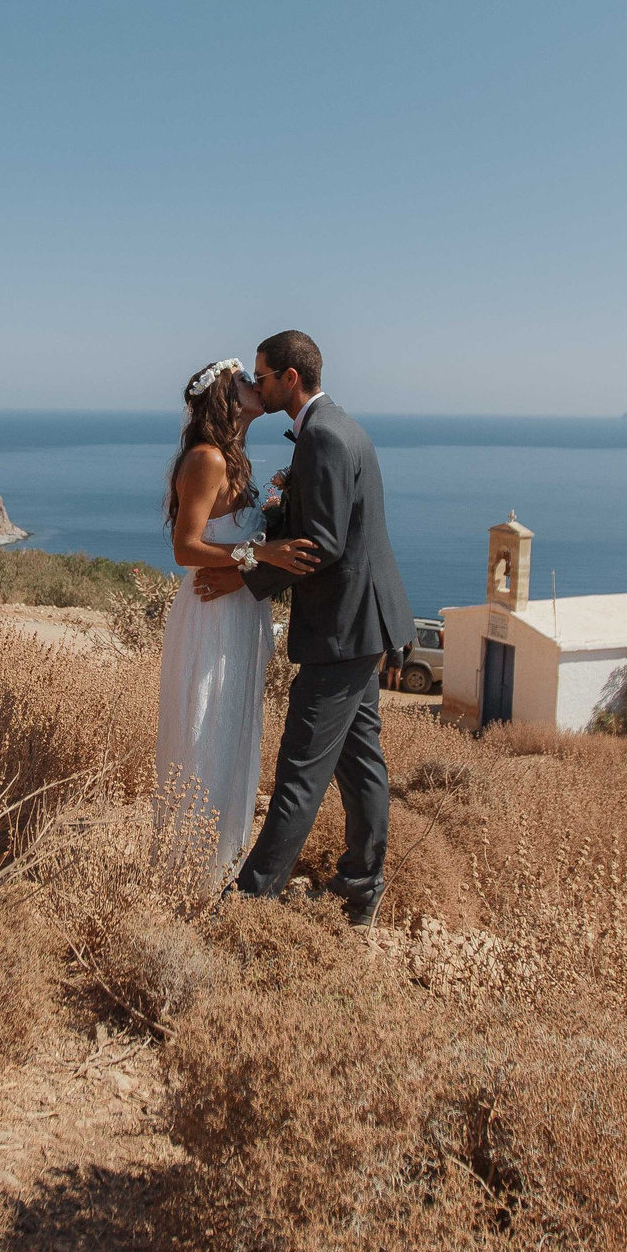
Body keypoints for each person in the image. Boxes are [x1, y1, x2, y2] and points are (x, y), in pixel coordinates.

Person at [193, 330, 412, 926]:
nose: (257, 386)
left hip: (342, 631)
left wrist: (244, 575)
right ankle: (362, 887)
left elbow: (323, 545)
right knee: (361, 760)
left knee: (298, 775)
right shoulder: (337, 425)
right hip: (361, 624)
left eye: (262, 377)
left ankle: (243, 907)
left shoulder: (321, 436)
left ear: (291, 378)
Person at [151, 357, 321, 884]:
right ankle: (187, 871)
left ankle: (219, 863)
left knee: (234, 731)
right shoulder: (207, 459)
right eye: (245, 380)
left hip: (239, 615)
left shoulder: (235, 458)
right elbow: (186, 548)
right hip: (211, 617)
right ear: (226, 397)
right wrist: (261, 555)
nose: (256, 384)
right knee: (205, 731)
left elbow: (235, 539)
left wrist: (268, 521)